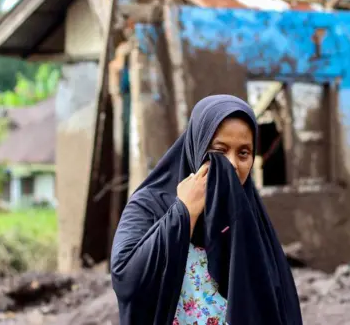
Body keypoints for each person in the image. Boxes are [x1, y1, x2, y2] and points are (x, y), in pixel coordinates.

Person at [110, 94, 303, 325]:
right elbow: (126, 279)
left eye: (243, 153)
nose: (231, 164)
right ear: (197, 148)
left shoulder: (249, 216)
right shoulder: (150, 205)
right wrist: (184, 213)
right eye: (220, 151)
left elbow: (278, 304)